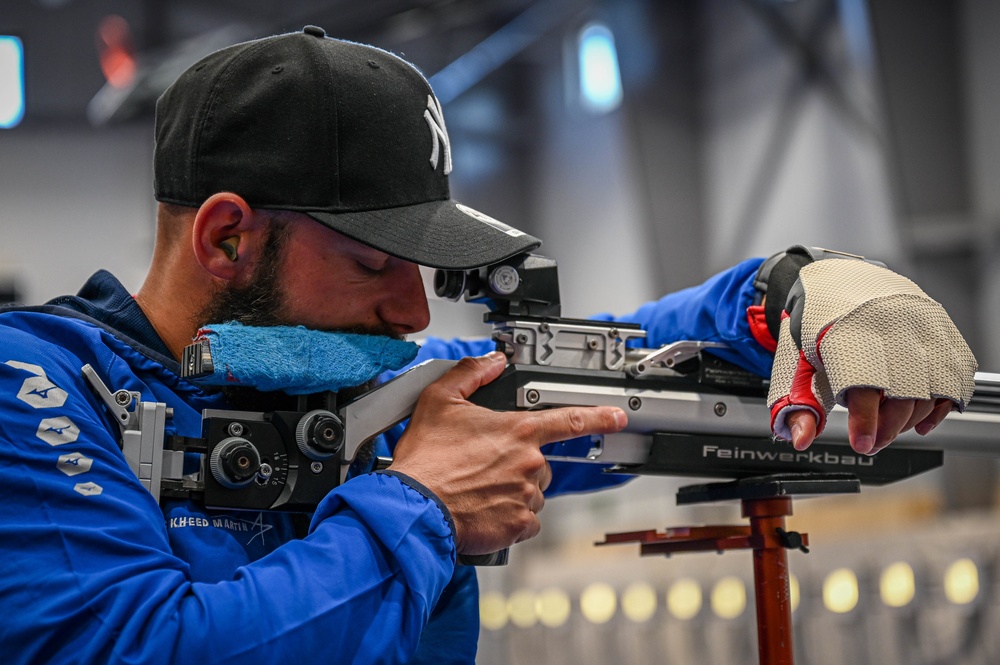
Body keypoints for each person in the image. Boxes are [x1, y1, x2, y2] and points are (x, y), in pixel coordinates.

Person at [0, 26, 975, 664]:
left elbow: (618, 363)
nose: (415, 312)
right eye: (377, 261)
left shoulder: (366, 392)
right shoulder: (34, 386)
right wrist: (418, 504)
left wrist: (782, 294)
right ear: (226, 238)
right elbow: (125, 645)